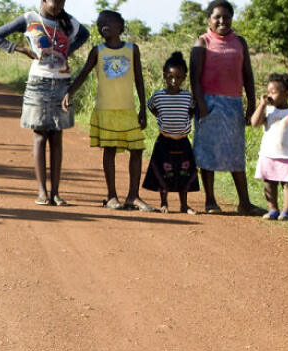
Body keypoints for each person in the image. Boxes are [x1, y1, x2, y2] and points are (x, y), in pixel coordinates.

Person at [0, 0, 89, 206]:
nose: (59, 5)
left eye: (63, 2)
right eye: (55, 2)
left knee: (57, 137)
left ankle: (56, 193)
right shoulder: (29, 19)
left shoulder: (68, 21)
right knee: (40, 136)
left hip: (62, 83)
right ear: (43, 0)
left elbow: (84, 35)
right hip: (38, 83)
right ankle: (42, 192)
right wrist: (20, 49)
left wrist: (66, 50)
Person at [64, 10, 151, 211]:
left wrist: (143, 110)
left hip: (128, 110)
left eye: (109, 21)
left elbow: (139, 79)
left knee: (137, 150)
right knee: (110, 150)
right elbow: (84, 73)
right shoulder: (98, 50)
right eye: (100, 22)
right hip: (106, 110)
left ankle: (133, 196)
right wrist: (70, 92)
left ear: (121, 27)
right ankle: (112, 196)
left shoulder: (132, 49)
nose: (103, 24)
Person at [190, 0, 264, 215]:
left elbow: (248, 75)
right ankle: (210, 201)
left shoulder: (239, 42)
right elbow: (195, 78)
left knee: (236, 154)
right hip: (209, 103)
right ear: (209, 20)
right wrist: (202, 105)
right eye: (217, 17)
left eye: (227, 17)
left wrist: (250, 104)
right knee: (207, 153)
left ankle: (245, 203)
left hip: (233, 104)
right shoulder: (202, 42)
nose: (222, 21)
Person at [142, 51, 199, 213]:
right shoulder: (158, 96)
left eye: (179, 77)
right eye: (170, 77)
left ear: (184, 78)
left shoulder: (188, 97)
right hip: (164, 140)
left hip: (182, 140)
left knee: (184, 172)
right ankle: (164, 203)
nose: (174, 81)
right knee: (163, 172)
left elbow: (191, 111)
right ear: (164, 76)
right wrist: (161, 117)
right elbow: (151, 107)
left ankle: (184, 204)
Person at [250, 73, 288, 221]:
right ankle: (273, 210)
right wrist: (262, 105)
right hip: (268, 154)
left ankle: (286, 212)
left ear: (287, 94)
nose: (269, 95)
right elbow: (254, 122)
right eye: (268, 92)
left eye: (274, 92)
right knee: (269, 183)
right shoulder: (268, 110)